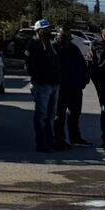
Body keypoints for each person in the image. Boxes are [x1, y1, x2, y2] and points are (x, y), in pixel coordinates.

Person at [22, 20, 62, 152]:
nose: (49, 31)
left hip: (54, 84)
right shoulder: (32, 45)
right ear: (39, 31)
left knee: (51, 115)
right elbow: (29, 66)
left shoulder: (49, 43)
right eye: (46, 29)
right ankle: (41, 144)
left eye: (49, 29)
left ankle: (50, 141)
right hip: (42, 85)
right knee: (42, 115)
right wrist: (39, 79)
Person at [53, 26, 92, 147]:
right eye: (63, 36)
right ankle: (59, 139)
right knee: (59, 114)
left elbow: (82, 64)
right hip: (61, 87)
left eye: (68, 37)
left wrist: (84, 79)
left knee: (75, 113)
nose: (66, 39)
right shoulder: (53, 48)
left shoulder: (73, 48)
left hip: (75, 86)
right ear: (58, 36)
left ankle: (75, 137)